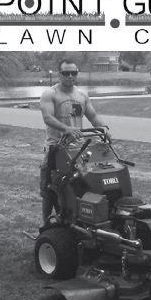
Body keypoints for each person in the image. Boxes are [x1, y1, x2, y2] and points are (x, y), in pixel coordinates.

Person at [39, 58, 111, 227]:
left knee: (79, 187)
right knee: (49, 189)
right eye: (66, 73)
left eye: (73, 73)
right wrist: (66, 129)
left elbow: (92, 116)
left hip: (77, 150)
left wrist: (104, 129)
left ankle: (76, 222)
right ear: (59, 74)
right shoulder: (50, 94)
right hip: (55, 148)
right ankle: (47, 226)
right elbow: (47, 117)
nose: (70, 76)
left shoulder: (82, 95)